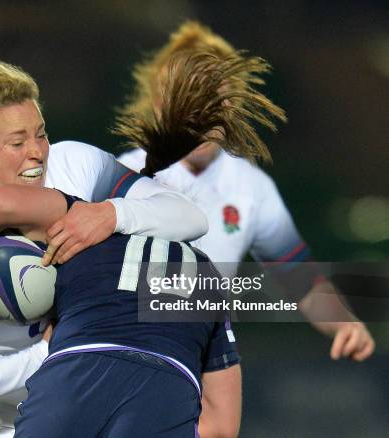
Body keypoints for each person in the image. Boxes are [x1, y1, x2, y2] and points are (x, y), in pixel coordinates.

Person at [0, 33, 211, 437]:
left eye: (40, 134)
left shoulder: (76, 166)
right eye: (16, 141)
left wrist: (112, 214)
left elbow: (190, 217)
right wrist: (49, 355)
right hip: (10, 425)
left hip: (106, 402)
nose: (38, 152)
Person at [117, 21, 375, 435]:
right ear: (163, 106)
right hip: (127, 366)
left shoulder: (250, 186)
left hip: (205, 374)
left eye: (212, 101)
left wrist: (344, 323)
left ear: (231, 107)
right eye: (189, 101)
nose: (202, 115)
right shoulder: (124, 176)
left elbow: (298, 277)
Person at [0, 184, 239, 438]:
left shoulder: (82, 224)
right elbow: (223, 426)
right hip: (166, 390)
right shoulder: (205, 274)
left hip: (74, 374)